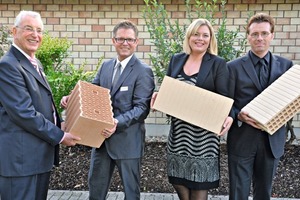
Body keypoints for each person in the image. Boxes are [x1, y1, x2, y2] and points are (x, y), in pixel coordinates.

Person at [61, 20, 155, 200]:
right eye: (120, 39)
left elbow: (142, 108)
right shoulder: (105, 66)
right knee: (96, 189)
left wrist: (117, 122)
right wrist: (72, 98)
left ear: (136, 42)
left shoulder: (143, 71)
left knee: (131, 193)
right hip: (101, 139)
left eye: (129, 39)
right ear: (113, 41)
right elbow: (93, 93)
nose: (125, 43)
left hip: (128, 141)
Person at [0, 10, 80, 200]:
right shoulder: (9, 65)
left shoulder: (34, 62)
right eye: (29, 29)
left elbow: (42, 105)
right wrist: (60, 136)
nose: (36, 35)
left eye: (39, 30)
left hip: (37, 159)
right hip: (20, 163)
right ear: (14, 31)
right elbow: (23, 113)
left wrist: (60, 122)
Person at [151, 18, 233, 200]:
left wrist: (230, 116)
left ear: (210, 39)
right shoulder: (177, 59)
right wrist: (159, 95)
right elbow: (170, 89)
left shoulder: (217, 63)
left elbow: (226, 98)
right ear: (189, 37)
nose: (200, 38)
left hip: (203, 139)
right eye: (196, 34)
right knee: (179, 184)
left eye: (205, 35)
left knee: (198, 190)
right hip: (179, 136)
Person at [227, 13, 294, 200]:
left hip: (272, 141)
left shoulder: (287, 66)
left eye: (264, 33)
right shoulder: (232, 67)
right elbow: (225, 102)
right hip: (242, 139)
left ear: (272, 35)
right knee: (238, 194)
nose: (260, 38)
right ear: (248, 36)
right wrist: (238, 114)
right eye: (255, 34)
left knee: (264, 193)